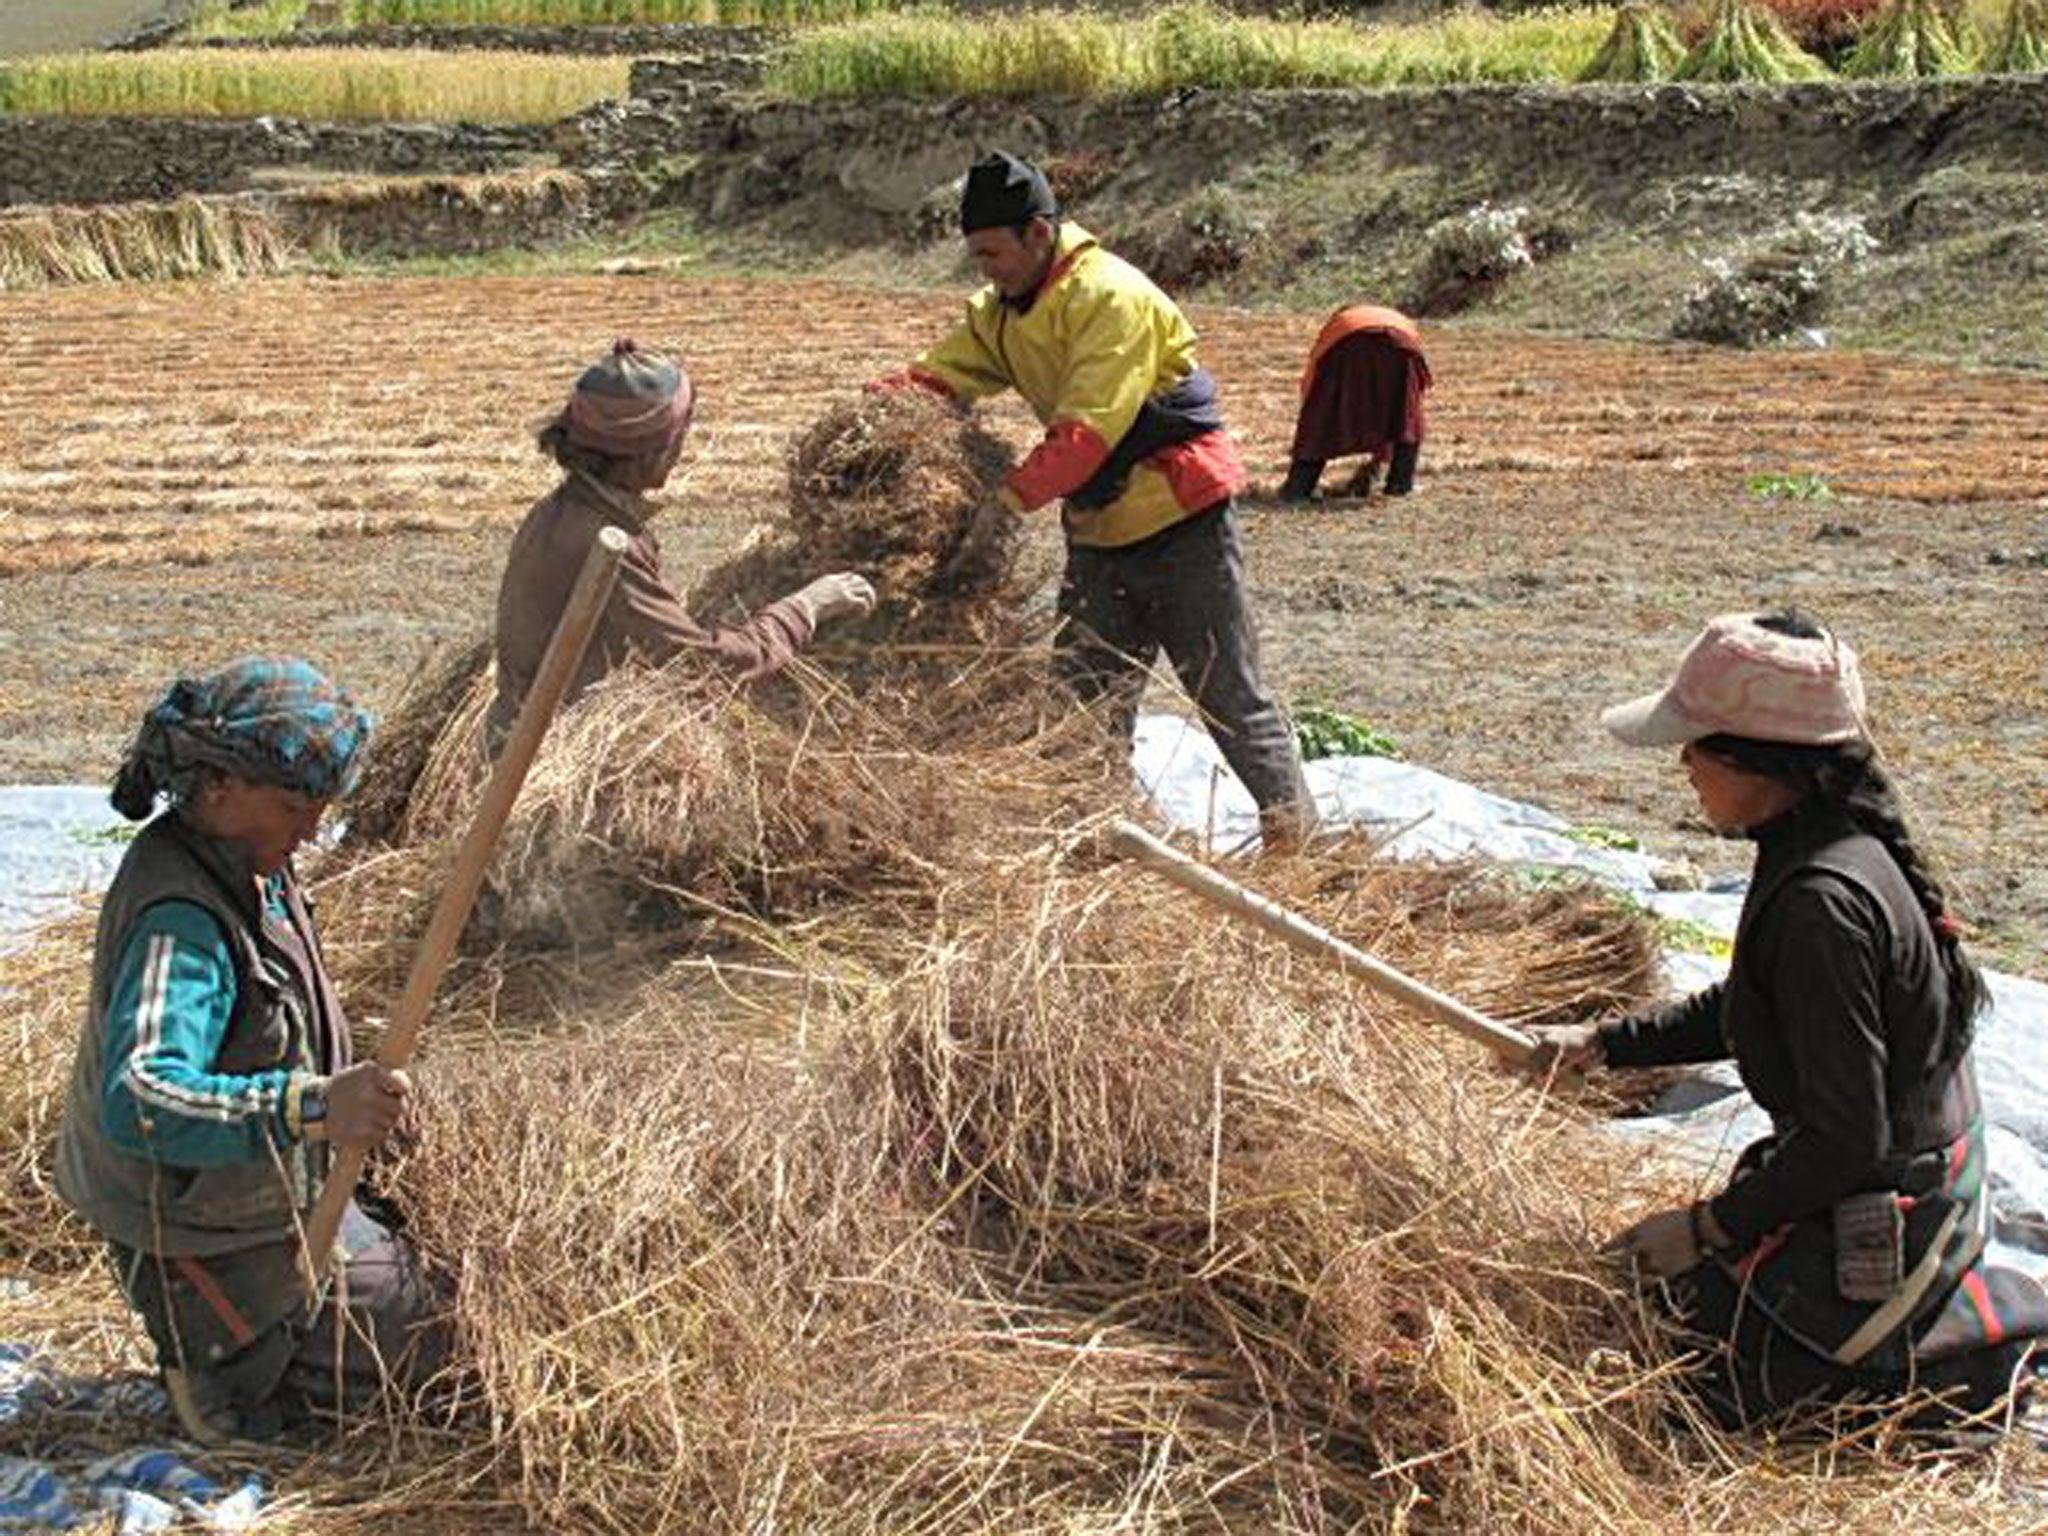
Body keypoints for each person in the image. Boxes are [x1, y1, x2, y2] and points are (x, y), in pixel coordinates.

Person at [1530, 611, 2048, 1429]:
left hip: (1892, 1214)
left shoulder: (1821, 909)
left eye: (1697, 743)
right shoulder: (1817, 839)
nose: (1684, 764)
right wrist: (1605, 1043)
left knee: (1657, 1353)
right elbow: (1748, 1008)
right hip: (1883, 1172)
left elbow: (1848, 1141)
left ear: (1759, 761)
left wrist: (1705, 1228)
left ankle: (1952, 1357)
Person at [54, 659, 451, 1444]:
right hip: (204, 1241)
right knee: (458, 1347)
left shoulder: (253, 865)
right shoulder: (181, 919)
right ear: (219, 787)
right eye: (296, 805)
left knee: (468, 1262)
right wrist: (310, 1106)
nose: (312, 829)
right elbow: (140, 1096)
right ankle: (222, 1366)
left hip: (280, 1194)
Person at [874, 150, 1314, 843]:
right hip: (1099, 529)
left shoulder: (1111, 298)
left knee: (1228, 694)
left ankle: (1299, 843)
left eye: (992, 252)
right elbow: (943, 376)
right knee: (1082, 704)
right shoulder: (1001, 312)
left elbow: (1085, 436)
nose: (983, 268)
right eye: (975, 255)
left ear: (1039, 235)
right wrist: (876, 410)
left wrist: (1002, 503)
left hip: (1180, 518)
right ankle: (1100, 842)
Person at [487, 339, 877, 746]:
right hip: (546, 753)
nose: (681, 450)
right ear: (649, 455)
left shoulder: (558, 510)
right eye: (679, 437)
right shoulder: (605, 548)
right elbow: (705, 666)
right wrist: (807, 606)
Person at [1278, 303, 1430, 504]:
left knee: (1322, 416)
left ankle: (1299, 488)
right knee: (1405, 416)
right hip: (1400, 348)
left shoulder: (1337, 323)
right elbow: (1420, 379)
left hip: (1346, 347)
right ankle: (1400, 485)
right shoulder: (1398, 319)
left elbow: (1314, 374)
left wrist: (1314, 407)